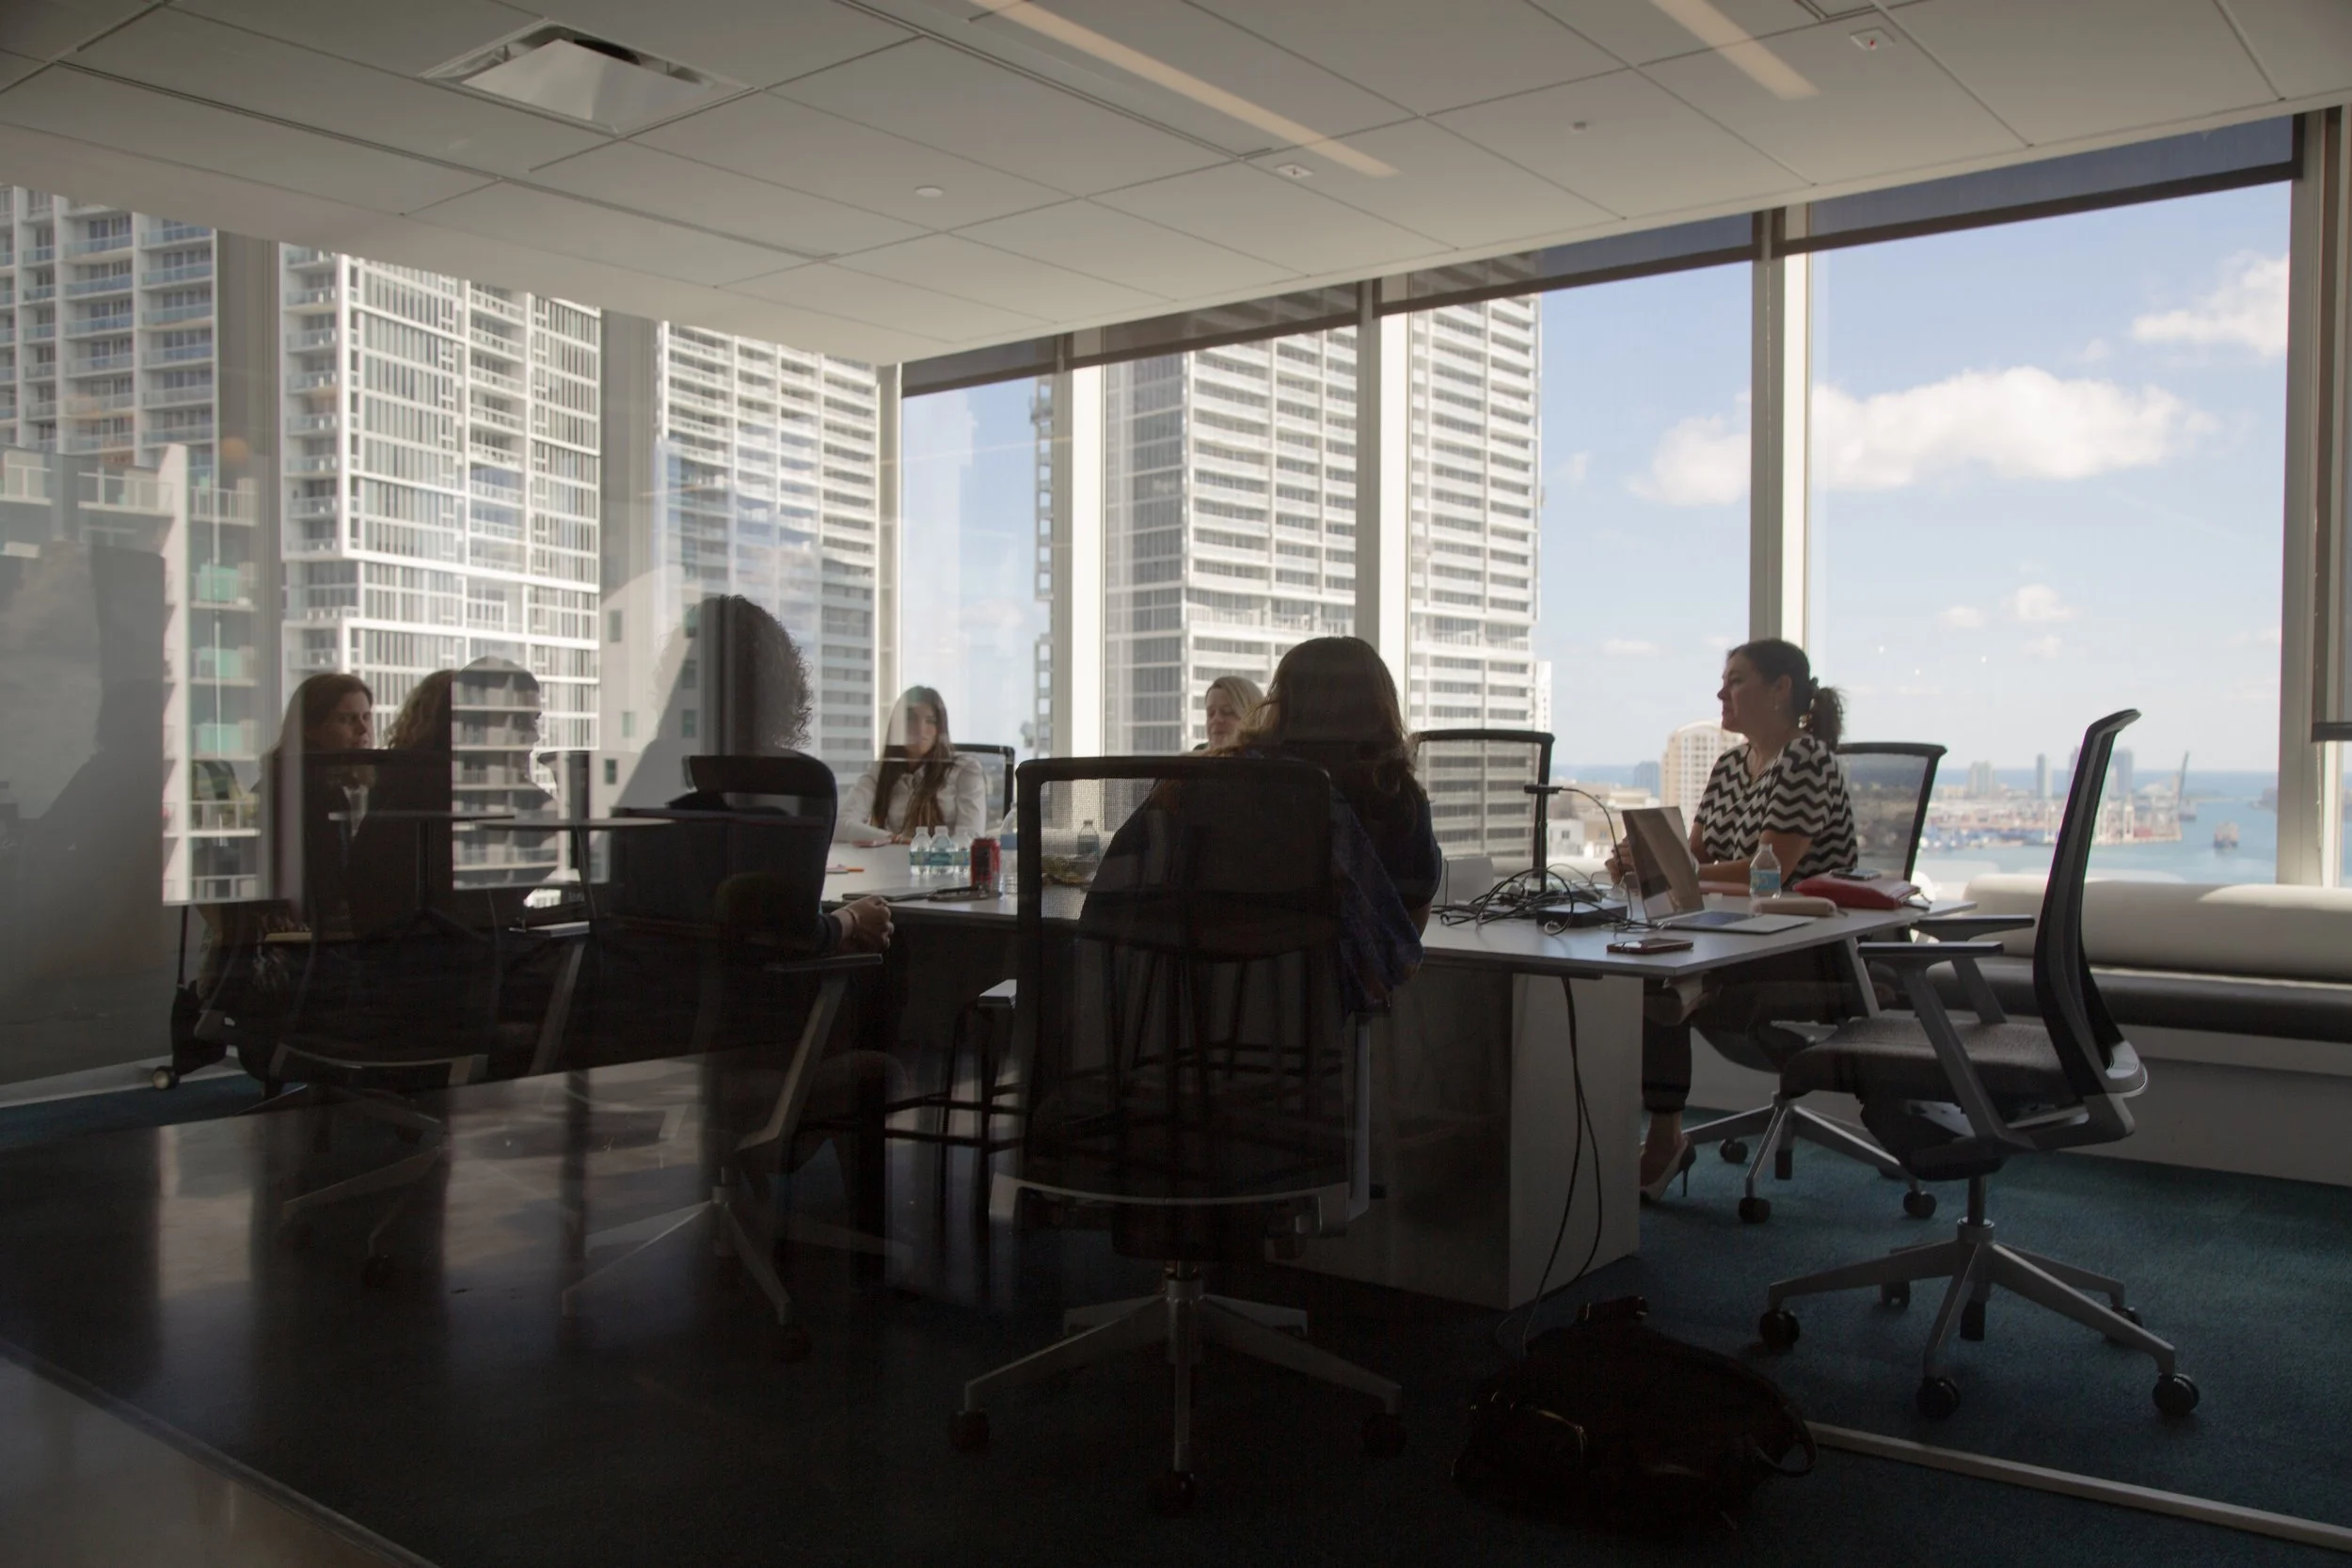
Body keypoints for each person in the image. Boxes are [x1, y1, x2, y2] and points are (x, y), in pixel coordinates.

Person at [1613, 638, 1859, 1198]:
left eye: (1737, 680)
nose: (1721, 692)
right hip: (1731, 938)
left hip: (1805, 947)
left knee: (1662, 982)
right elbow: (1693, 859)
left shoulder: (1806, 759)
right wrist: (1644, 862)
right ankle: (1666, 1126)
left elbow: (1766, 873)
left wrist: (1675, 875)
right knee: (1650, 970)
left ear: (1781, 689)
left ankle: (1664, 1135)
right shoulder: (1728, 766)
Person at [1236, 637, 1439, 1006]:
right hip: (1333, 992)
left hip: (1224, 985)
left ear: (1283, 702)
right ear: (1379, 707)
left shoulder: (1233, 781)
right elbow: (1408, 930)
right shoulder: (1396, 797)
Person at [838, 686, 988, 843]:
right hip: (889, 861)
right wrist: (895, 839)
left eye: (930, 721)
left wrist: (929, 851)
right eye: (911, 719)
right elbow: (842, 824)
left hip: (943, 865)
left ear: (940, 729)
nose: (920, 729)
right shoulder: (882, 770)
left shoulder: (965, 770)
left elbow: (971, 837)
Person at [1199, 673, 1263, 752]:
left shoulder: (1268, 761)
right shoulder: (1191, 760)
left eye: (1228, 712)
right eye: (1210, 713)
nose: (1216, 719)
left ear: (1253, 717)